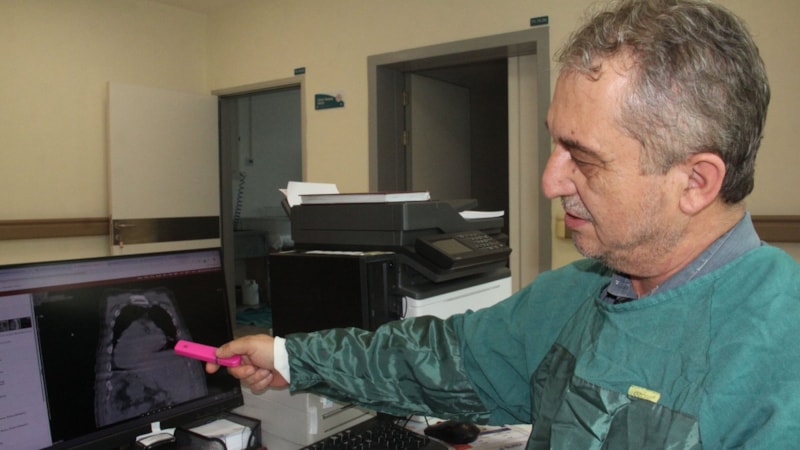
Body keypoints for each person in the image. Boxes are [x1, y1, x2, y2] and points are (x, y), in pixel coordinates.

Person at [208, 0, 800, 447]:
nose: (550, 181)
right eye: (555, 144)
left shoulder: (778, 360)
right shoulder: (579, 294)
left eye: (584, 158)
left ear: (695, 181)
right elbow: (442, 358)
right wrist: (291, 357)